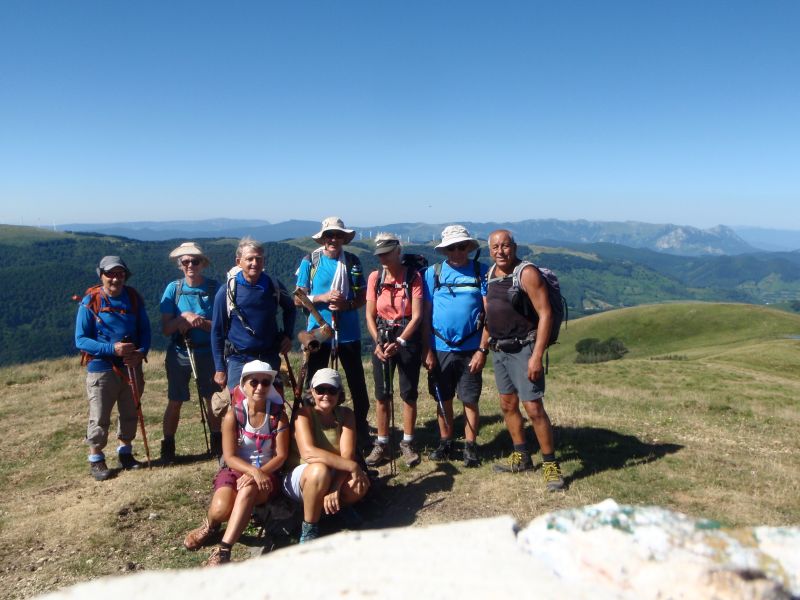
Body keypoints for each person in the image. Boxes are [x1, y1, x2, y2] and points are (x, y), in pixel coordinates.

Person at [183, 360, 290, 566]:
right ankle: (211, 525)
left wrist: (258, 474)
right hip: (236, 470)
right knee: (220, 510)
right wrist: (253, 472)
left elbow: (280, 456)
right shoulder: (233, 415)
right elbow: (230, 456)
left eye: (265, 382)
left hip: (267, 475)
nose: (259, 387)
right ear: (244, 385)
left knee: (248, 489)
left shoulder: (278, 416)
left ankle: (224, 550)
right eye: (254, 382)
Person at [485, 229, 565, 491]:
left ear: (515, 247)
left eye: (505, 246)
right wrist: (483, 348)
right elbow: (489, 314)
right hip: (499, 349)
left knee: (533, 408)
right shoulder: (491, 273)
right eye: (495, 247)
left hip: (524, 349)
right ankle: (521, 456)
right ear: (489, 250)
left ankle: (550, 465)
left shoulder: (527, 273)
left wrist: (537, 356)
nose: (500, 251)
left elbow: (546, 314)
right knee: (508, 405)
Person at [295, 217, 371, 447]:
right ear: (323, 238)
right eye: (330, 235)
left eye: (338, 235)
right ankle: (313, 430)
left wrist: (346, 305)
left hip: (348, 333)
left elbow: (362, 296)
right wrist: (323, 297)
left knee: (357, 385)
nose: (334, 239)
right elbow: (298, 298)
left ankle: (359, 431)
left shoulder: (353, 262)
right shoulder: (310, 261)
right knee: (314, 384)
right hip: (319, 333)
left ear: (343, 239)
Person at [75, 256, 151, 481]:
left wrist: (140, 353)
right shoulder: (91, 301)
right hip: (102, 368)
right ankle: (96, 458)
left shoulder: (133, 298)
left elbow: (145, 331)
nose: (115, 279)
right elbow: (81, 340)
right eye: (110, 274)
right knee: (99, 415)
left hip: (131, 365)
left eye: (120, 274)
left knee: (130, 410)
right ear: (101, 275)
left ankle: (125, 452)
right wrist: (112, 349)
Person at [422, 225, 489, 468]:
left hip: (471, 348)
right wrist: (427, 350)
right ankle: (446, 442)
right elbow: (425, 315)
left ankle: (470, 447)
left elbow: (489, 314)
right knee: (444, 398)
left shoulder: (482, 272)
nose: (457, 252)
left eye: (462, 247)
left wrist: (482, 349)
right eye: (452, 248)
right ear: (445, 250)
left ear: (469, 247)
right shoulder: (433, 273)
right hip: (440, 347)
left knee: (469, 399)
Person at [282, 368, 370, 543]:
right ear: (312, 392)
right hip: (302, 476)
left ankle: (332, 508)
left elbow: (347, 455)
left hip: (331, 474)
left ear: (339, 393)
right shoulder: (303, 415)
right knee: (319, 470)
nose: (326, 395)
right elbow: (308, 453)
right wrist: (352, 466)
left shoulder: (346, 415)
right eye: (320, 390)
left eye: (332, 390)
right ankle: (309, 527)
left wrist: (335, 487)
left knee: (359, 485)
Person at [364, 233, 423, 468]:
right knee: (382, 394)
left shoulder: (413, 277)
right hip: (383, 337)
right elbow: (369, 315)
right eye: (380, 254)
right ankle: (382, 442)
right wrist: (378, 341)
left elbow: (417, 316)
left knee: (408, 393)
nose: (383, 258)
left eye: (387, 253)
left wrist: (400, 341)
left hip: (406, 339)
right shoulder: (375, 278)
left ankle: (407, 442)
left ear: (398, 252)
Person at [159, 242, 221, 462]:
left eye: (194, 261)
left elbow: (223, 327)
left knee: (212, 399)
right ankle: (168, 447)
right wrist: (183, 317)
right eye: (185, 262)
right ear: (180, 265)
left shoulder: (215, 289)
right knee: (175, 399)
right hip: (181, 351)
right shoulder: (173, 289)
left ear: (202, 264)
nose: (190, 265)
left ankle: (218, 443)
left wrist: (200, 322)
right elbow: (166, 329)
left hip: (208, 353)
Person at [211, 237, 296, 393]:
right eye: (249, 259)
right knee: (238, 405)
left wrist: (288, 336)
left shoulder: (273, 286)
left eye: (259, 259)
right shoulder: (227, 291)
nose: (255, 263)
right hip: (239, 360)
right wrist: (220, 368)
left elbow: (290, 308)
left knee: (272, 403)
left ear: (263, 261)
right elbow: (217, 331)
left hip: (269, 357)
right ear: (239, 262)